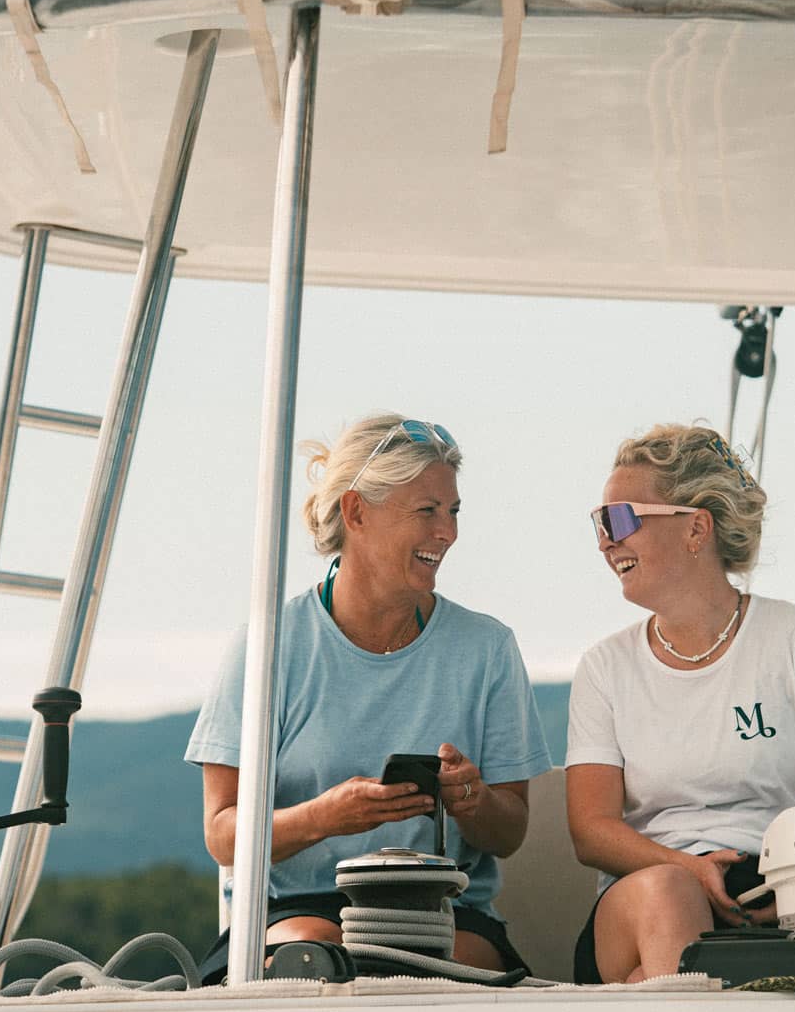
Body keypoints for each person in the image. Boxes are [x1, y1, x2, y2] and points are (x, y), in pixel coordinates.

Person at [187, 414, 551, 977]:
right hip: (295, 909)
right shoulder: (268, 646)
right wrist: (326, 816)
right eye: (427, 511)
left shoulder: (488, 648)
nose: (447, 532)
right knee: (311, 959)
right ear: (356, 512)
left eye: (452, 512)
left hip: (442, 913)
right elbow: (222, 833)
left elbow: (509, 833)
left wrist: (472, 798)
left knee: (437, 968)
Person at [565, 423, 795, 983]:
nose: (605, 541)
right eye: (598, 522)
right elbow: (590, 830)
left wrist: (792, 883)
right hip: (643, 898)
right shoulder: (605, 667)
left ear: (695, 528)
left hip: (783, 896)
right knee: (668, 893)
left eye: (621, 519)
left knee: (648, 985)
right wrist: (690, 869)